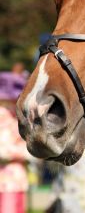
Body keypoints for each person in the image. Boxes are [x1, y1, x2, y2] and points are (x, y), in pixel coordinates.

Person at [0, 62, 30, 213]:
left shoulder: (20, 117)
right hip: (5, 179)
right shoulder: (3, 115)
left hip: (17, 177)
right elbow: (3, 150)